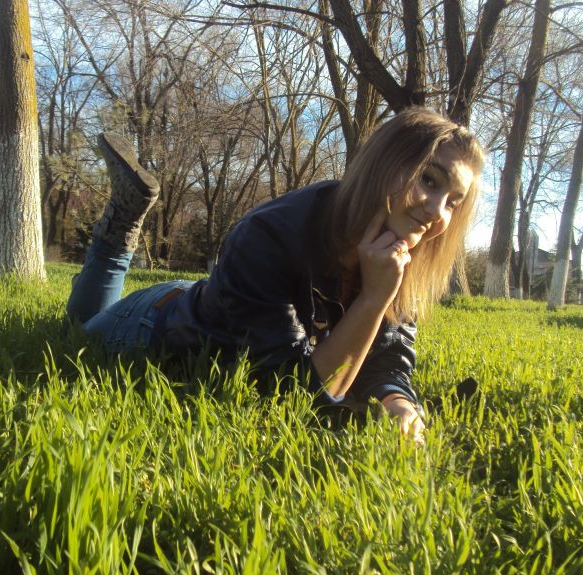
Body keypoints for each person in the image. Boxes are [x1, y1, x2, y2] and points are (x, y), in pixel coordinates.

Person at [67, 107, 484, 443]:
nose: (437, 211)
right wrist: (374, 299)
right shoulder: (270, 235)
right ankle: (119, 229)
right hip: (155, 321)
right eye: (429, 179)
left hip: (227, 300)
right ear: (383, 164)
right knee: (77, 327)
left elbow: (388, 355)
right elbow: (291, 395)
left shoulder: (399, 253)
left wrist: (397, 403)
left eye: (453, 202)